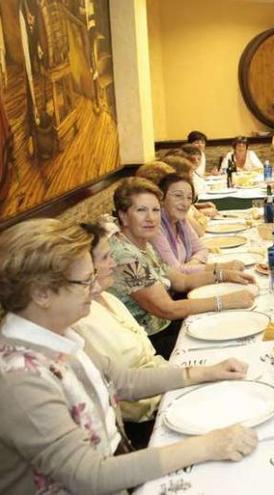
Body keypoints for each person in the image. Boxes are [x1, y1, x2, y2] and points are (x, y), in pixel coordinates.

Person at [0, 219, 258, 494]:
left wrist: (205, 372)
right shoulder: (18, 377)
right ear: (41, 294)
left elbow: (122, 380)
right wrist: (207, 445)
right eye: (86, 281)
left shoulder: (58, 332)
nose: (97, 289)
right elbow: (89, 475)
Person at [107, 178, 255, 358]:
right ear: (123, 216)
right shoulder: (126, 257)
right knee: (231, 342)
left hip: (164, 327)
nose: (151, 218)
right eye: (141, 210)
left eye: (155, 210)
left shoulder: (142, 244)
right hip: (149, 344)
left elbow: (181, 281)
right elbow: (167, 309)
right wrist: (226, 301)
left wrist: (225, 275)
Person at [73, 222, 169, 445]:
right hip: (142, 421)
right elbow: (119, 390)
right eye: (106, 257)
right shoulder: (78, 323)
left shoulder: (109, 298)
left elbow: (149, 359)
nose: (113, 262)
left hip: (161, 393)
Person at [150, 173, 244, 274]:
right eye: (178, 196)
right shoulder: (155, 227)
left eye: (189, 198)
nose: (185, 203)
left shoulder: (181, 221)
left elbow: (202, 249)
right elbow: (176, 272)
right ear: (161, 199)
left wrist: (191, 264)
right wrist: (221, 267)